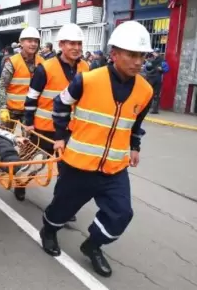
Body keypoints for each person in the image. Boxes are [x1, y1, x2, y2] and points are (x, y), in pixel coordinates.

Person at [39, 21, 154, 278]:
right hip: (79, 164)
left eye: (142, 55)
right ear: (114, 54)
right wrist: (60, 136)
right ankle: (48, 231)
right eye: (132, 54)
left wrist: (134, 145)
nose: (138, 61)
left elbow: (136, 123)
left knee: (121, 214)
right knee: (62, 210)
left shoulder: (145, 90)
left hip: (114, 168)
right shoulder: (87, 80)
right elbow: (59, 104)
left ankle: (92, 245)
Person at [22, 23, 89, 204]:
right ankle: (21, 184)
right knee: (33, 163)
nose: (76, 48)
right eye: (71, 43)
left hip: (70, 130)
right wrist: (28, 122)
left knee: (67, 170)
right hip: (43, 128)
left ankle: (61, 203)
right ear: (61, 45)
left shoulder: (86, 68)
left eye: (78, 44)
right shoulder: (46, 68)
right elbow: (31, 97)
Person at [0, 27, 44, 130]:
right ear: (21, 43)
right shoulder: (12, 62)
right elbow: (2, 86)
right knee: (4, 140)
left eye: (36, 41)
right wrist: (3, 108)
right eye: (29, 41)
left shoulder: (42, 62)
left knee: (28, 143)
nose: (33, 44)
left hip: (30, 111)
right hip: (10, 110)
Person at [144, 48, 169, 114]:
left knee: (156, 94)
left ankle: (155, 110)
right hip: (149, 77)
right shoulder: (150, 59)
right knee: (147, 93)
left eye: (157, 52)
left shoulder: (162, 60)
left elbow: (166, 69)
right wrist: (148, 68)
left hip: (157, 78)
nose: (155, 53)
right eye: (155, 52)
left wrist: (161, 69)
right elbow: (145, 68)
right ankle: (145, 107)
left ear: (159, 53)